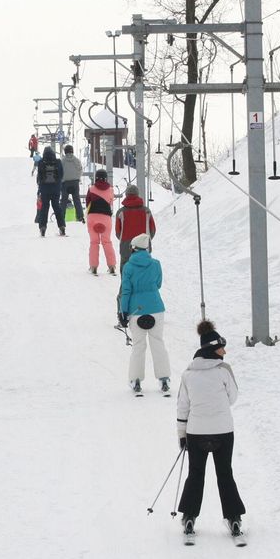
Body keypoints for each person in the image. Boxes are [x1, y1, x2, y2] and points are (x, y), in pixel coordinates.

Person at [175, 321, 245, 542]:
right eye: (221, 347)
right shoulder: (224, 370)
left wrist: (182, 435)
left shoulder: (187, 374)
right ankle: (233, 518)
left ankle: (189, 517)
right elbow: (233, 397)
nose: (224, 351)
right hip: (223, 431)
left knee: (196, 474)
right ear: (211, 348)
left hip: (196, 433)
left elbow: (182, 406)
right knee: (225, 474)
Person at [118, 233, 171, 395]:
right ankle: (164, 379)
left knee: (138, 346)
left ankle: (136, 380)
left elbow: (126, 291)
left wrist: (123, 312)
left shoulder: (128, 267)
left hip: (137, 310)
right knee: (158, 343)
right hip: (156, 308)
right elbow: (158, 284)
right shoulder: (156, 264)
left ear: (133, 248)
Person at [114, 184, 156, 273]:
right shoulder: (146, 211)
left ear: (126, 195)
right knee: (143, 273)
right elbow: (152, 229)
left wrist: (124, 240)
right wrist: (145, 240)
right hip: (144, 246)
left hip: (126, 246)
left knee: (126, 274)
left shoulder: (121, 212)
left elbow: (118, 232)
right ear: (137, 194)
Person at [84, 169, 117, 275]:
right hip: (106, 218)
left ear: (96, 178)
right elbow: (111, 202)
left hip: (92, 217)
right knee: (107, 242)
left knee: (94, 242)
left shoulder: (91, 189)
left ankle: (93, 267)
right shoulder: (111, 190)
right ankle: (112, 266)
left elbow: (88, 202)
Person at [34, 146, 66, 237]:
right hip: (55, 189)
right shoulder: (58, 162)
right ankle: (62, 227)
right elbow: (61, 175)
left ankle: (42, 228)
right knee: (57, 208)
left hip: (44, 190)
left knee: (44, 208)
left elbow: (39, 177)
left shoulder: (41, 162)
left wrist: (40, 189)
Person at [59, 144, 84, 222]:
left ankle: (61, 217)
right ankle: (80, 216)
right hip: (75, 183)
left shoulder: (62, 161)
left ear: (65, 151)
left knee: (63, 201)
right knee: (76, 199)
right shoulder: (76, 160)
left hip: (65, 183)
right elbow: (80, 170)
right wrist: (77, 177)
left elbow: (59, 172)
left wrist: (61, 180)